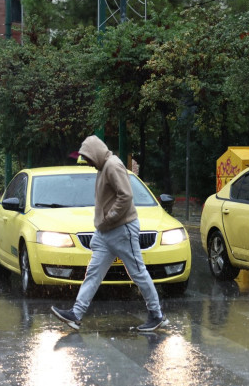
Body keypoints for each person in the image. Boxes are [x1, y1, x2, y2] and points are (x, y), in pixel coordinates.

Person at [51, 135, 168, 332]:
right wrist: (103, 225)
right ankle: (76, 314)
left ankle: (156, 314)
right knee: (94, 274)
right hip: (107, 232)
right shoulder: (103, 167)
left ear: (95, 152)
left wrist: (109, 219)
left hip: (122, 229)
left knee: (138, 272)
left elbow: (126, 195)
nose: (88, 163)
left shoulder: (112, 165)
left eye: (88, 158)